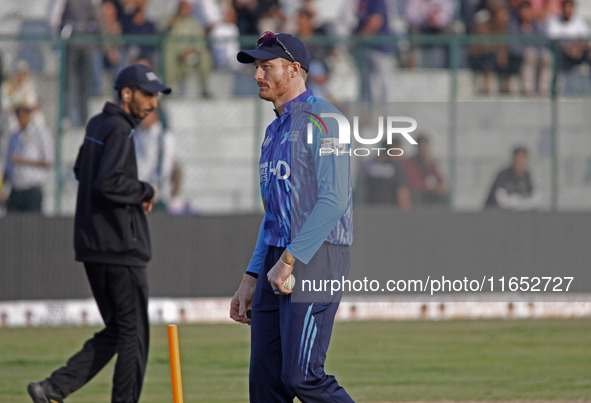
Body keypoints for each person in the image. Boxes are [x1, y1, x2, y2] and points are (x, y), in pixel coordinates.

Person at [27, 64, 171, 403]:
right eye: (148, 94)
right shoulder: (120, 129)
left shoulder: (97, 123)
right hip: (120, 247)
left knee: (119, 330)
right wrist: (145, 190)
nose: (153, 103)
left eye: (156, 96)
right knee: (134, 336)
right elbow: (108, 182)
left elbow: (81, 169)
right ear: (126, 94)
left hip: (93, 246)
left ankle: (54, 388)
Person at [230, 32, 354, 402]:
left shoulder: (326, 120)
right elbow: (273, 216)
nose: (257, 75)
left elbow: (334, 202)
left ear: (294, 70)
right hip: (276, 257)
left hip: (316, 255)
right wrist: (251, 276)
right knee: (266, 385)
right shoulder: (273, 131)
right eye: (256, 67)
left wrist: (289, 260)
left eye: (266, 67)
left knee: (304, 378)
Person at [2, 106, 54, 213]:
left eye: (23, 116)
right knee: (12, 222)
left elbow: (48, 162)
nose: (20, 120)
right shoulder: (14, 136)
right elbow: (8, 167)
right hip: (16, 188)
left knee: (32, 223)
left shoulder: (40, 133)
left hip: (32, 188)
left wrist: (25, 161)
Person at [163, 0, 213, 97]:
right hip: (174, 53)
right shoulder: (171, 20)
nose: (184, 10)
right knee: (168, 56)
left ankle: (205, 88)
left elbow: (199, 42)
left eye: (187, 8)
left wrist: (190, 51)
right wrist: (170, 26)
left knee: (205, 56)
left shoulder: (194, 23)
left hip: (190, 53)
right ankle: (170, 88)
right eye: (182, 7)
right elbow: (162, 36)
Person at [353, 0, 395, 103]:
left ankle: (385, 114)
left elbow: (376, 20)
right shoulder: (361, 2)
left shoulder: (377, 1)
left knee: (383, 83)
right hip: (366, 48)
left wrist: (361, 37)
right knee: (367, 83)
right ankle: (367, 113)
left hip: (380, 47)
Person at [508, 0, 553, 95]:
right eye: (523, 11)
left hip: (536, 54)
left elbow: (541, 42)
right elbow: (513, 45)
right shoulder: (513, 24)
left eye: (527, 11)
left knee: (547, 56)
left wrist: (537, 51)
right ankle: (527, 89)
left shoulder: (536, 25)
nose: (525, 14)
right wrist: (525, 50)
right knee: (530, 54)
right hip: (518, 56)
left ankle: (544, 88)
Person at [134, 108, 176, 209]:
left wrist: (151, 188)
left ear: (155, 115)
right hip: (136, 188)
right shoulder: (137, 134)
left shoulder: (164, 137)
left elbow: (166, 167)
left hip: (156, 193)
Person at [359, 139, 412, 209]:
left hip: (370, 211)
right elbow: (402, 194)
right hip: (390, 212)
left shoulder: (369, 166)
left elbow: (363, 191)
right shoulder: (395, 168)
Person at [485, 146, 541, 210]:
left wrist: (523, 204)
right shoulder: (503, 175)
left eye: (523, 159)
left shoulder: (527, 176)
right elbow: (502, 201)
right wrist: (517, 202)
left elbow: (535, 198)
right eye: (518, 158)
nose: (520, 162)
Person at [545, 0, 591, 71]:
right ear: (562, 8)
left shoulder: (580, 21)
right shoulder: (553, 21)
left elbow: (585, 39)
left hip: (578, 53)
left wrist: (578, 48)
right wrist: (569, 49)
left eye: (570, 8)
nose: (567, 10)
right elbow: (554, 42)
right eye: (566, 8)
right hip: (561, 54)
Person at [403, 134, 448, 205]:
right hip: (417, 192)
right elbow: (414, 183)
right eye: (423, 146)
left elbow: (439, 179)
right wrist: (431, 188)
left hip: (428, 191)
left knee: (445, 193)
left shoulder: (428, 161)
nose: (425, 148)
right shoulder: (410, 162)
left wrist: (440, 187)